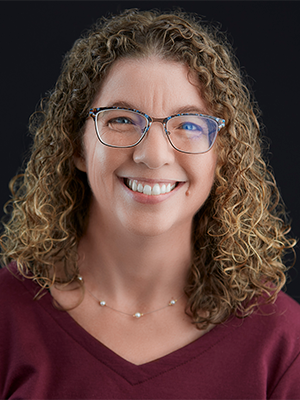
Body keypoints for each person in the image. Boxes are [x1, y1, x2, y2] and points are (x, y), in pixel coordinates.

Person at [0, 8, 299, 400]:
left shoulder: (283, 342)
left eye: (189, 124)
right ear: (75, 144)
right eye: (121, 119)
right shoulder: (6, 319)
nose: (153, 155)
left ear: (222, 154)